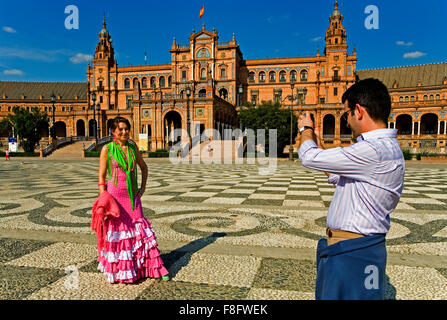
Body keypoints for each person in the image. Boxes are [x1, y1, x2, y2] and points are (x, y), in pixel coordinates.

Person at [297, 78, 405, 300]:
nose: (346, 122)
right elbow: (338, 175)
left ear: (359, 110)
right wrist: (320, 145)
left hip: (352, 251)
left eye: (346, 114)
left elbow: (307, 157)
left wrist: (305, 128)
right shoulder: (385, 148)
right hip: (362, 247)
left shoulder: (372, 150)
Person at [96, 116, 169, 283]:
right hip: (114, 196)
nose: (124, 132)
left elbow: (143, 167)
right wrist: (103, 196)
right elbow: (101, 175)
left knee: (140, 229)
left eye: (126, 128)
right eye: (120, 129)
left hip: (132, 196)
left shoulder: (132, 147)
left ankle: (152, 268)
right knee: (119, 232)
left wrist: (142, 187)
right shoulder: (107, 149)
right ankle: (123, 271)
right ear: (113, 132)